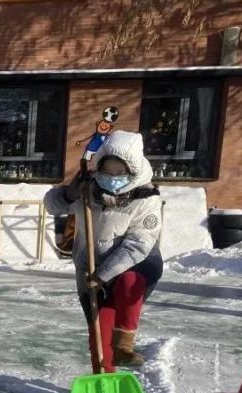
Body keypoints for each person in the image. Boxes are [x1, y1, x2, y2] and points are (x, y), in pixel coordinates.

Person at [44, 130, 164, 373]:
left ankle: (124, 346)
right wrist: (68, 194)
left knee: (128, 283)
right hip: (89, 270)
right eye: (107, 171)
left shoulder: (146, 198)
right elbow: (52, 206)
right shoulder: (87, 188)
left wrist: (102, 275)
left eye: (119, 173)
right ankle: (104, 378)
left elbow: (139, 244)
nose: (112, 178)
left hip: (131, 265)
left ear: (132, 171)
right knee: (98, 333)